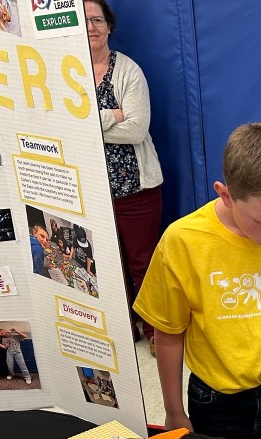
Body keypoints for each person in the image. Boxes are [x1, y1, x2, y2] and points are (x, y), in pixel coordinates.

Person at [134, 122, 261, 439]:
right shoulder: (183, 241)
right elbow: (169, 332)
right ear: (225, 195)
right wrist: (173, 411)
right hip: (217, 403)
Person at [87, 0, 164, 355]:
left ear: (109, 26)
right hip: (88, 189)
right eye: (84, 21)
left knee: (143, 262)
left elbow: (136, 129)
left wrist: (89, 123)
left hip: (135, 187)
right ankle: (120, 327)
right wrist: (110, 115)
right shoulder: (65, 72)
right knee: (102, 262)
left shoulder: (128, 71)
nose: (92, 27)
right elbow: (62, 127)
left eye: (98, 19)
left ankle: (154, 329)